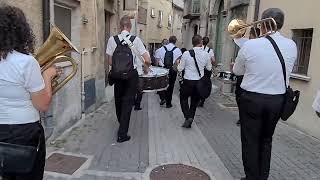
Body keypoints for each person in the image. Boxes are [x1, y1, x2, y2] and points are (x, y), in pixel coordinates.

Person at [233, 8, 297, 180]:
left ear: (261, 24)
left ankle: (252, 177)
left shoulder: (250, 45)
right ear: (280, 24)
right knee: (266, 141)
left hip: (252, 100)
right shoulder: (292, 45)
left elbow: (237, 71)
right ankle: (262, 177)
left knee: (250, 141)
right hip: (277, 100)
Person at [0, 5, 60, 180]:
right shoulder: (26, 62)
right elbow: (42, 104)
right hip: (25, 134)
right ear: (21, 31)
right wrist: (48, 76)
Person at [106, 15, 151, 143]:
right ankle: (122, 133)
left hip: (117, 75)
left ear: (120, 27)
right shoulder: (136, 40)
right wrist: (145, 68)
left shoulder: (111, 40)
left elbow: (109, 61)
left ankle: (122, 123)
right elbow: (147, 60)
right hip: (132, 75)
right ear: (130, 27)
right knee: (128, 103)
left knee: (119, 101)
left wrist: (119, 66)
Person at [178, 35, 212, 128]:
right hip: (199, 82)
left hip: (188, 81)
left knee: (183, 99)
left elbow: (180, 68)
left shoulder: (186, 54)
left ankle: (187, 117)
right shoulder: (206, 54)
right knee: (194, 102)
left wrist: (178, 64)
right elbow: (209, 68)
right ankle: (191, 118)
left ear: (193, 43)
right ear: (201, 42)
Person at [233, 27, 260, 126]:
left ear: (251, 35)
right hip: (257, 77)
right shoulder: (264, 46)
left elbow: (237, 70)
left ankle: (242, 118)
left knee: (240, 98)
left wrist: (235, 66)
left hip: (244, 76)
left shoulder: (247, 45)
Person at [155, 36, 182, 108]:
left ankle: (163, 98)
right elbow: (177, 62)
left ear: (168, 41)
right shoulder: (178, 50)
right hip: (172, 70)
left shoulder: (160, 50)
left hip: (162, 69)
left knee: (162, 85)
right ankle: (168, 103)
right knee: (171, 86)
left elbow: (157, 62)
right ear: (175, 41)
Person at [198, 37, 216, 107]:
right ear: (208, 42)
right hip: (207, 70)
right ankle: (202, 100)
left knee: (199, 83)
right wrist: (211, 64)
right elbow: (213, 61)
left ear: (202, 41)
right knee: (205, 85)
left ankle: (198, 98)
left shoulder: (199, 48)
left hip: (200, 69)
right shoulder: (210, 50)